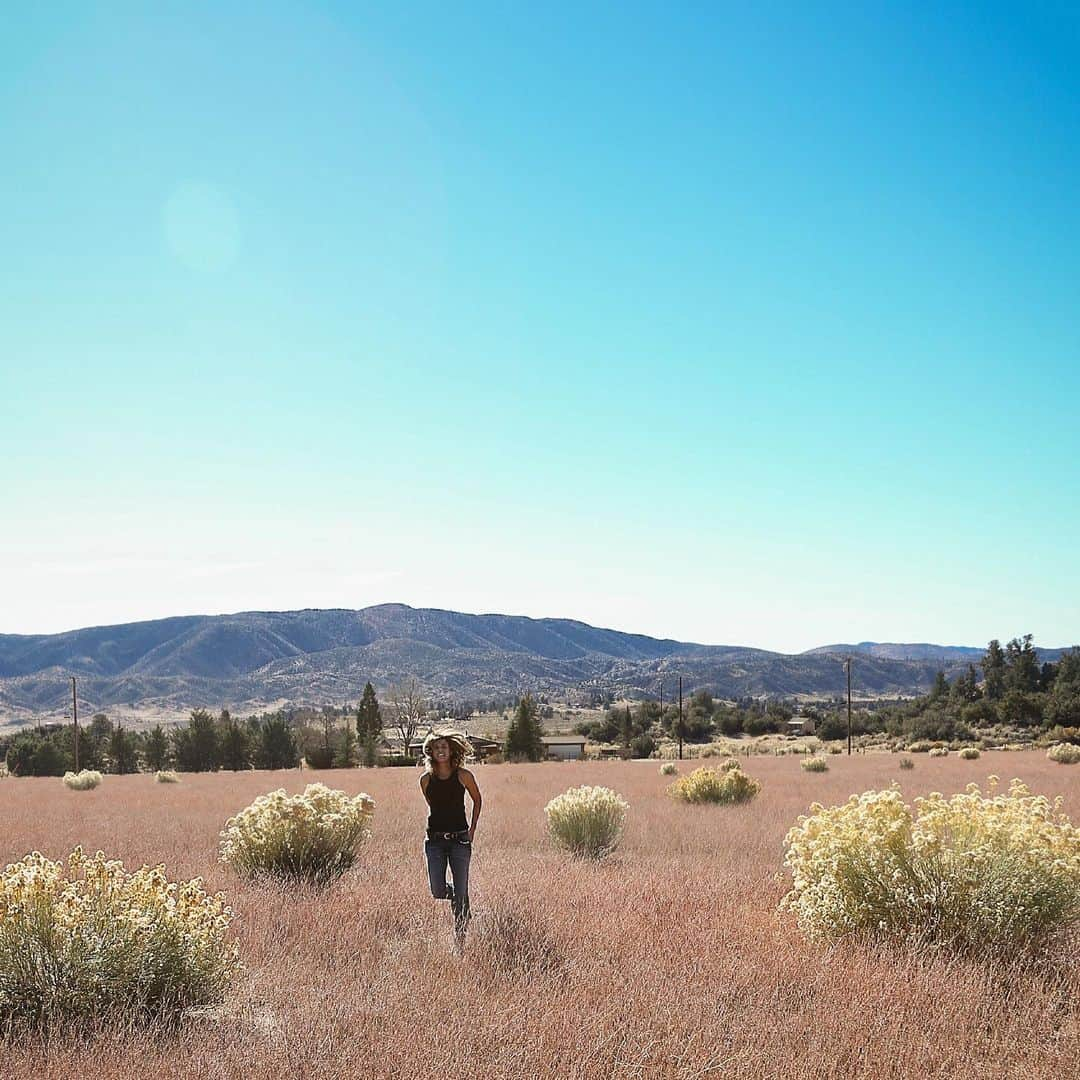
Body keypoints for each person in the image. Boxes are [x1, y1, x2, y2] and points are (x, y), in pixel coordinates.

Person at [419, 731, 481, 942]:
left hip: (460, 841)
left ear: (452, 749)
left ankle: (460, 938)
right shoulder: (426, 780)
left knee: (462, 890)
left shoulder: (464, 776)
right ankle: (457, 895)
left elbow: (477, 800)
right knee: (437, 890)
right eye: (437, 748)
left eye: (444, 747)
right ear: (431, 752)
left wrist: (472, 829)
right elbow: (433, 806)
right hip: (435, 841)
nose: (441, 751)